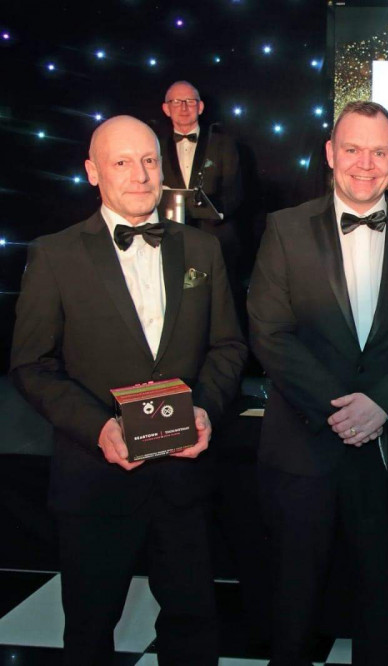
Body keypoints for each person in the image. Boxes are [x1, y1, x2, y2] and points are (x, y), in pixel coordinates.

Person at [9, 115, 247, 665]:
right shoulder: (55, 255)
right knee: (89, 632)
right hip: (95, 480)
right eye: (121, 162)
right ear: (93, 172)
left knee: (193, 627)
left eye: (148, 161)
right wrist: (100, 429)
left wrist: (206, 411)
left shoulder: (203, 252)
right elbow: (31, 364)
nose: (139, 175)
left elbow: (229, 347)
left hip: (184, 478)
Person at [247, 100, 388, 666]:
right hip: (304, 442)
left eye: (379, 151)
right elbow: (269, 332)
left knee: (381, 606)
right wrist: (342, 410)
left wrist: (382, 406)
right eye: (352, 149)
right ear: (329, 154)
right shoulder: (285, 229)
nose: (365, 163)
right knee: (292, 606)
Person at [160, 80, 243, 279]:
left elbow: (236, 190)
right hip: (170, 237)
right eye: (177, 102)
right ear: (166, 109)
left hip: (215, 237)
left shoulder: (223, 143)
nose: (183, 107)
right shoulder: (156, 146)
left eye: (190, 101)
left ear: (200, 106)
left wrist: (214, 212)